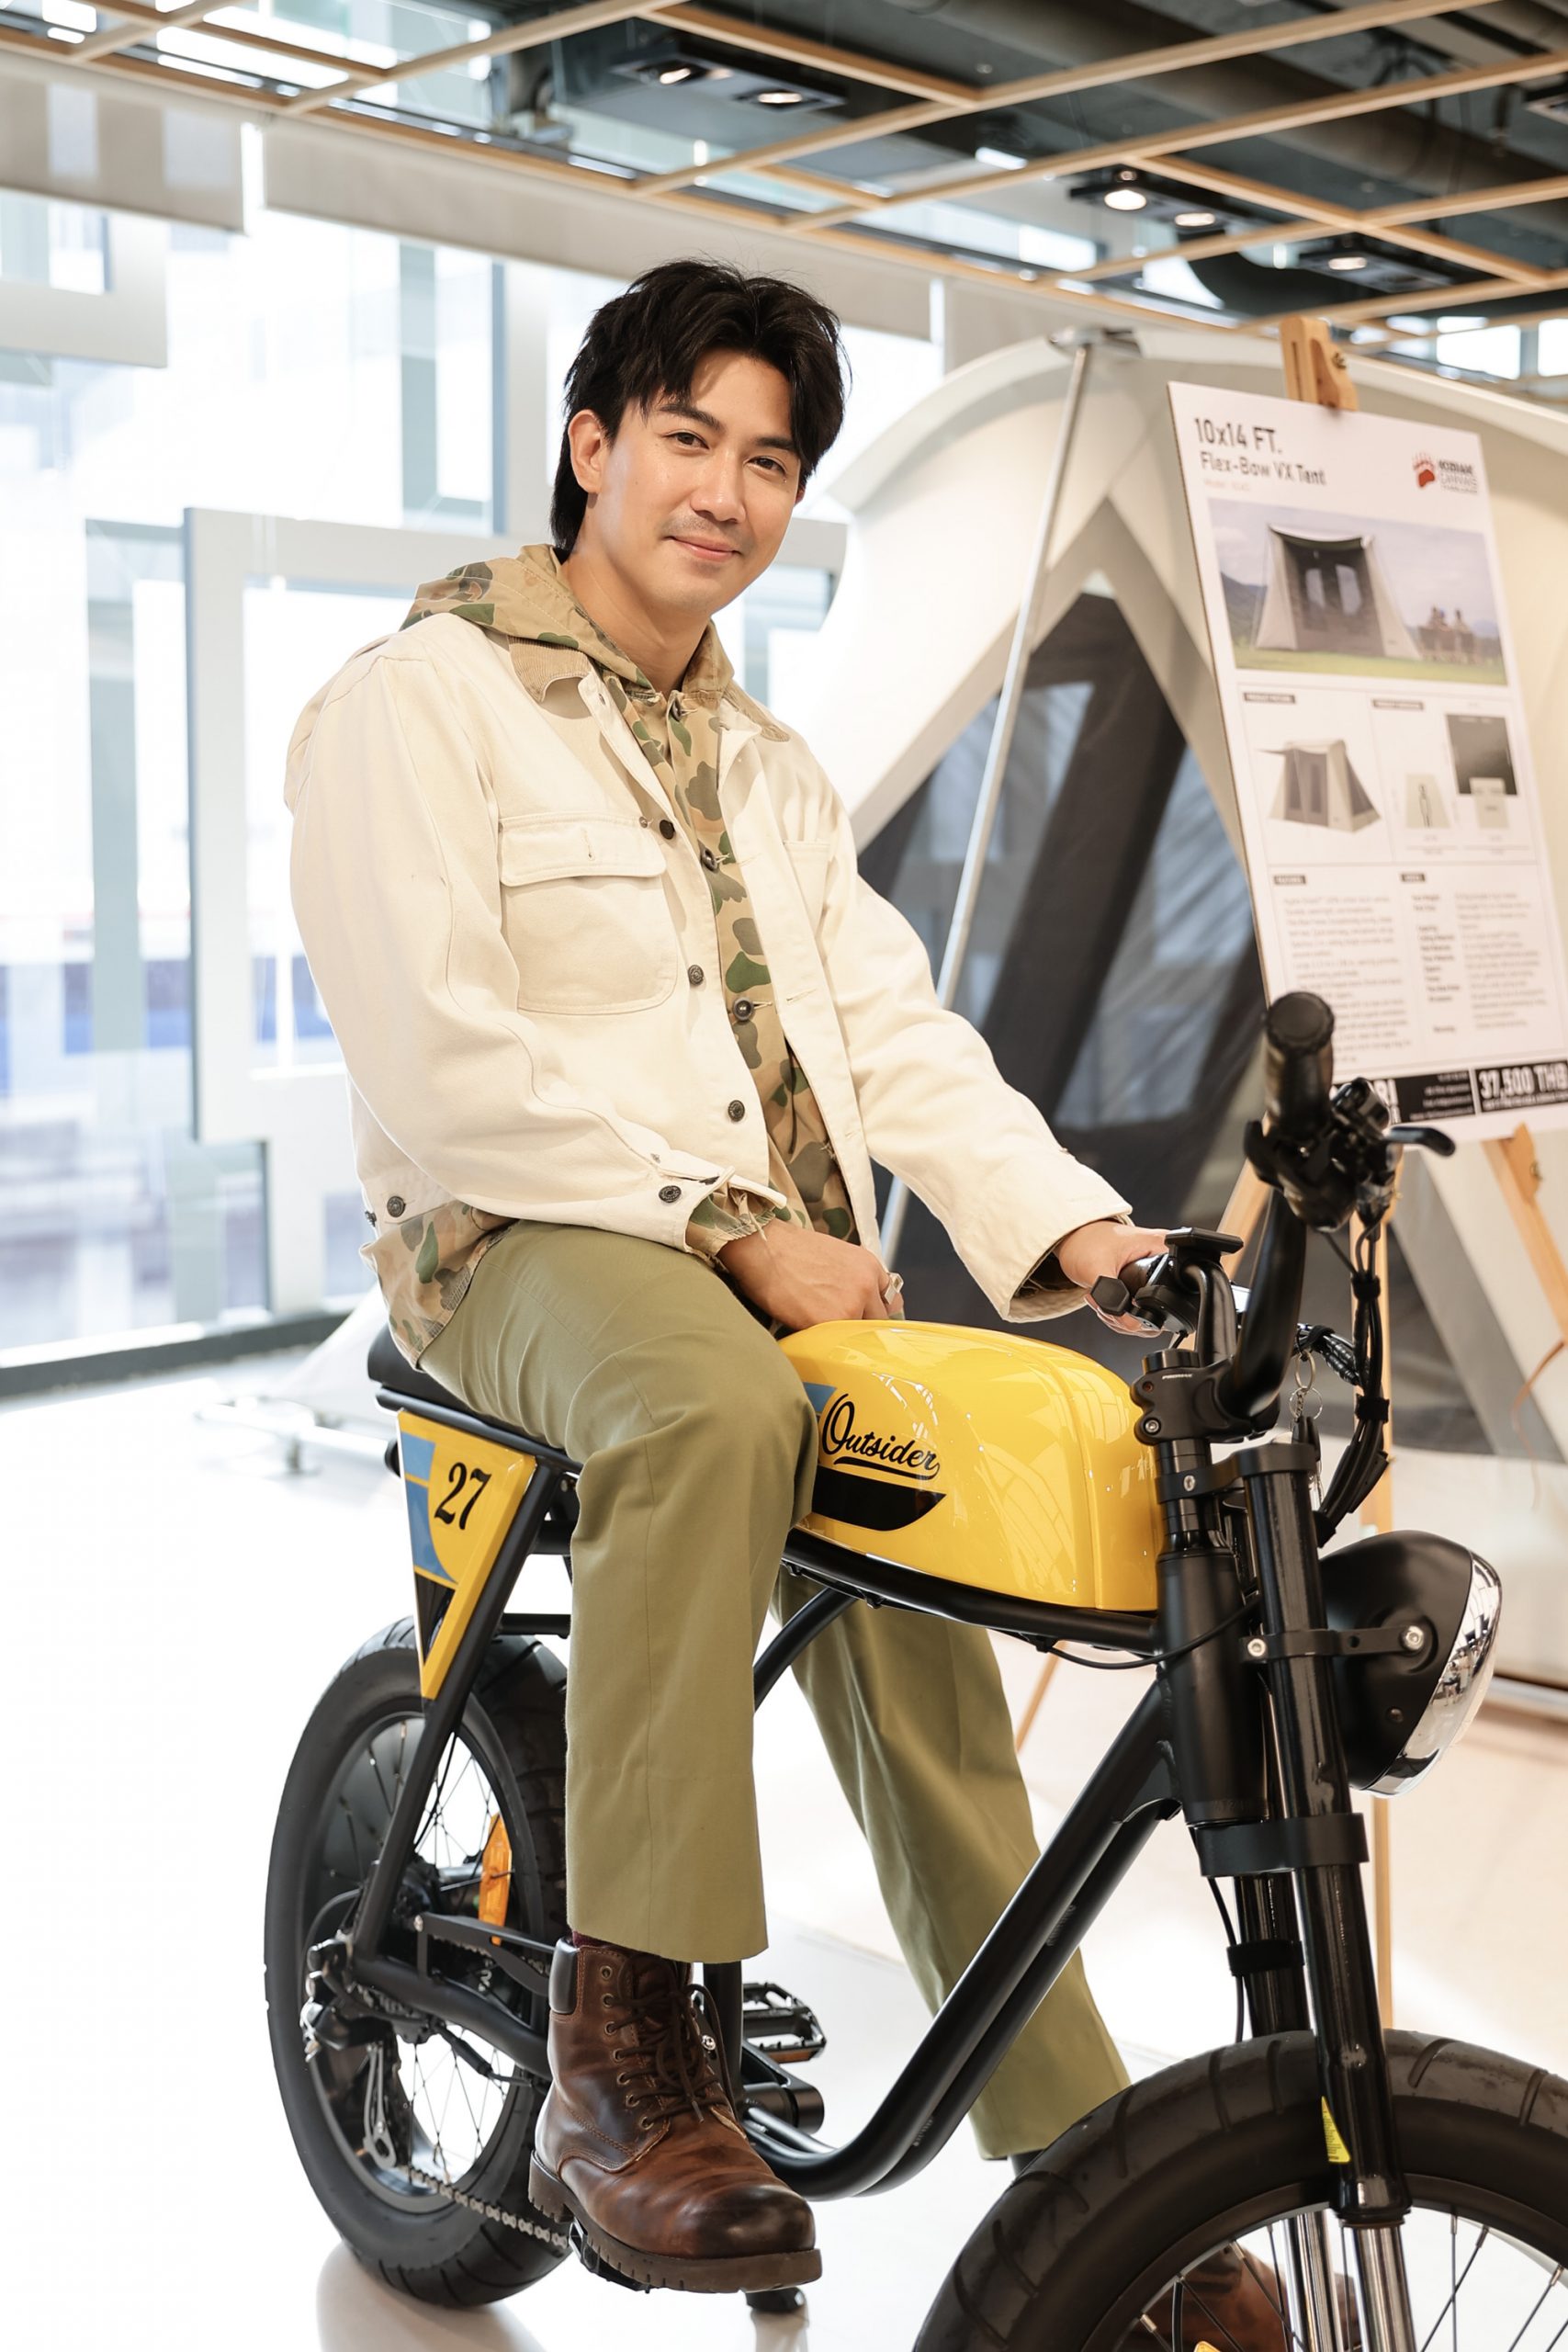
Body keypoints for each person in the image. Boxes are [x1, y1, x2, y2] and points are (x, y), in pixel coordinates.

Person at [286, 258, 1273, 2336]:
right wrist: (728, 1227)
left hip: (772, 1268)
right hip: (515, 1240)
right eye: (687, 439)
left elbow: (900, 1042)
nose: (725, 492)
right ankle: (623, 2050)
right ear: (591, 445)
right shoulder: (422, 700)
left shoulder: (767, 763)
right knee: (713, 1409)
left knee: (929, 1562)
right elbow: (439, 1059)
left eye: (768, 459)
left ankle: (1086, 2167)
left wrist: (1086, 1233)